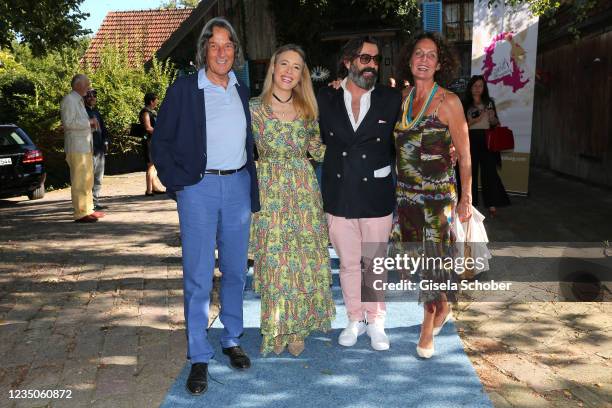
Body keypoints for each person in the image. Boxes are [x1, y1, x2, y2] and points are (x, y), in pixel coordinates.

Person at [151, 17, 259, 396]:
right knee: (197, 275)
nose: (222, 52)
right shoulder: (184, 89)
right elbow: (160, 141)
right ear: (203, 51)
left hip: (238, 186)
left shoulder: (241, 91)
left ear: (235, 52)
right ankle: (198, 353)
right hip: (198, 189)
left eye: (228, 45)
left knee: (234, 270)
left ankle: (231, 338)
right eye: (214, 45)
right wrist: (178, 183)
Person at [249, 44, 335, 357]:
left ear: (302, 75)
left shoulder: (308, 109)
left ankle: (297, 328)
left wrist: (355, 152)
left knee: (301, 262)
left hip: (304, 193)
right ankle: (276, 328)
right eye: (284, 64)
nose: (289, 71)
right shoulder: (254, 108)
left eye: (296, 67)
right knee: (275, 262)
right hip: (269, 191)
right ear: (273, 67)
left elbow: (319, 150)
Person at [317, 36, 402, 351]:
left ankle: (376, 320)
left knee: (374, 262)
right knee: (349, 262)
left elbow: (411, 136)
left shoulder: (391, 99)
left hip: (376, 193)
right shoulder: (325, 98)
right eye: (365, 58)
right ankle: (355, 318)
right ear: (348, 61)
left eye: (376, 60)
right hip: (338, 193)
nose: (372, 66)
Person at [393, 32, 472, 358]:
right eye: (418, 54)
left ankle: (427, 330)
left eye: (431, 55)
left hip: (437, 199)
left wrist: (466, 199)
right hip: (405, 197)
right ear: (410, 60)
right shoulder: (402, 98)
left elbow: (465, 156)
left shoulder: (448, 102)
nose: (423, 59)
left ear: (440, 64)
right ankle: (442, 306)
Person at [60, 74, 105, 223]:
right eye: (87, 84)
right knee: (80, 180)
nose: (89, 87)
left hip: (85, 145)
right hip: (76, 147)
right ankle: (80, 213)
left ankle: (88, 209)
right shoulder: (69, 100)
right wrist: (89, 122)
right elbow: (68, 123)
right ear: (78, 85)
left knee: (87, 179)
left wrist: (91, 126)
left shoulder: (78, 100)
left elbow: (79, 124)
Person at [463, 75, 510, 216]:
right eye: (475, 86)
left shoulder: (489, 102)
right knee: (471, 174)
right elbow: (462, 125)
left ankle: (492, 203)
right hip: (470, 139)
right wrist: (476, 119)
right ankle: (471, 203)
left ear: (484, 88)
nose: (478, 89)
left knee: (489, 172)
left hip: (487, 139)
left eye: (480, 86)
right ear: (470, 88)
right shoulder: (464, 103)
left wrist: (492, 117)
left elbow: (496, 123)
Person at [84, 89, 109, 210]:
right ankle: (88, 203)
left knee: (98, 177)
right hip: (89, 149)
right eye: (89, 96)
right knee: (89, 177)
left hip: (100, 149)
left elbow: (103, 129)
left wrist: (106, 141)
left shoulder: (97, 112)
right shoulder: (83, 112)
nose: (92, 98)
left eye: (94, 96)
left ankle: (95, 200)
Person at [140, 93, 165, 196]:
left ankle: (154, 187)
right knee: (150, 165)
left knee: (154, 164)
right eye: (156, 100)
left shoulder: (152, 111)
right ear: (151, 101)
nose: (157, 102)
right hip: (149, 141)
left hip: (154, 140)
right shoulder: (146, 112)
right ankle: (149, 189)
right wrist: (160, 132)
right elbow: (148, 127)